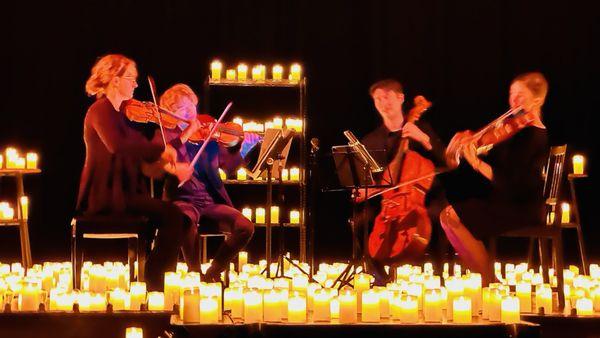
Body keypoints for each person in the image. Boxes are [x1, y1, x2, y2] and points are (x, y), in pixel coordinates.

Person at [77, 54, 192, 290]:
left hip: (123, 193)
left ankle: (154, 276)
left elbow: (144, 154)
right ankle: (155, 280)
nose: (136, 84)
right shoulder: (100, 110)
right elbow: (118, 145)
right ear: (115, 80)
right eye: (132, 78)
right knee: (173, 216)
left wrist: (172, 158)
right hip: (105, 196)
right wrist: (162, 151)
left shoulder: (119, 114)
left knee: (182, 219)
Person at [440, 72, 549, 283]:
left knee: (451, 216)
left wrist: (476, 162)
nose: (514, 100)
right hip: (509, 200)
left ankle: (488, 282)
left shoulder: (533, 134)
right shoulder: (515, 130)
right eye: (512, 93)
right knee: (447, 216)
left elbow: (510, 182)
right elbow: (500, 163)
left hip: (523, 206)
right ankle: (484, 279)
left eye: (520, 94)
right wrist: (467, 146)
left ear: (537, 99)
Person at [155, 83, 258, 282]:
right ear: (170, 113)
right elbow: (163, 159)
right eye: (183, 109)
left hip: (209, 201)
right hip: (181, 200)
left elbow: (228, 167)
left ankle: (214, 270)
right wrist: (184, 137)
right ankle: (195, 273)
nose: (191, 113)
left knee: (245, 227)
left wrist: (245, 149)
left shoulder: (208, 137)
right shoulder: (166, 135)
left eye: (192, 106)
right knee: (186, 222)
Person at [355, 79, 447, 282]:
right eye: (377, 99)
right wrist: (364, 191)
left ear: (400, 98)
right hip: (387, 203)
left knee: (436, 216)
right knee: (360, 222)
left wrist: (424, 139)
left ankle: (439, 276)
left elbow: (446, 161)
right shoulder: (371, 140)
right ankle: (380, 276)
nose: (382, 102)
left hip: (426, 197)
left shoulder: (421, 128)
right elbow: (366, 181)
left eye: (387, 97)